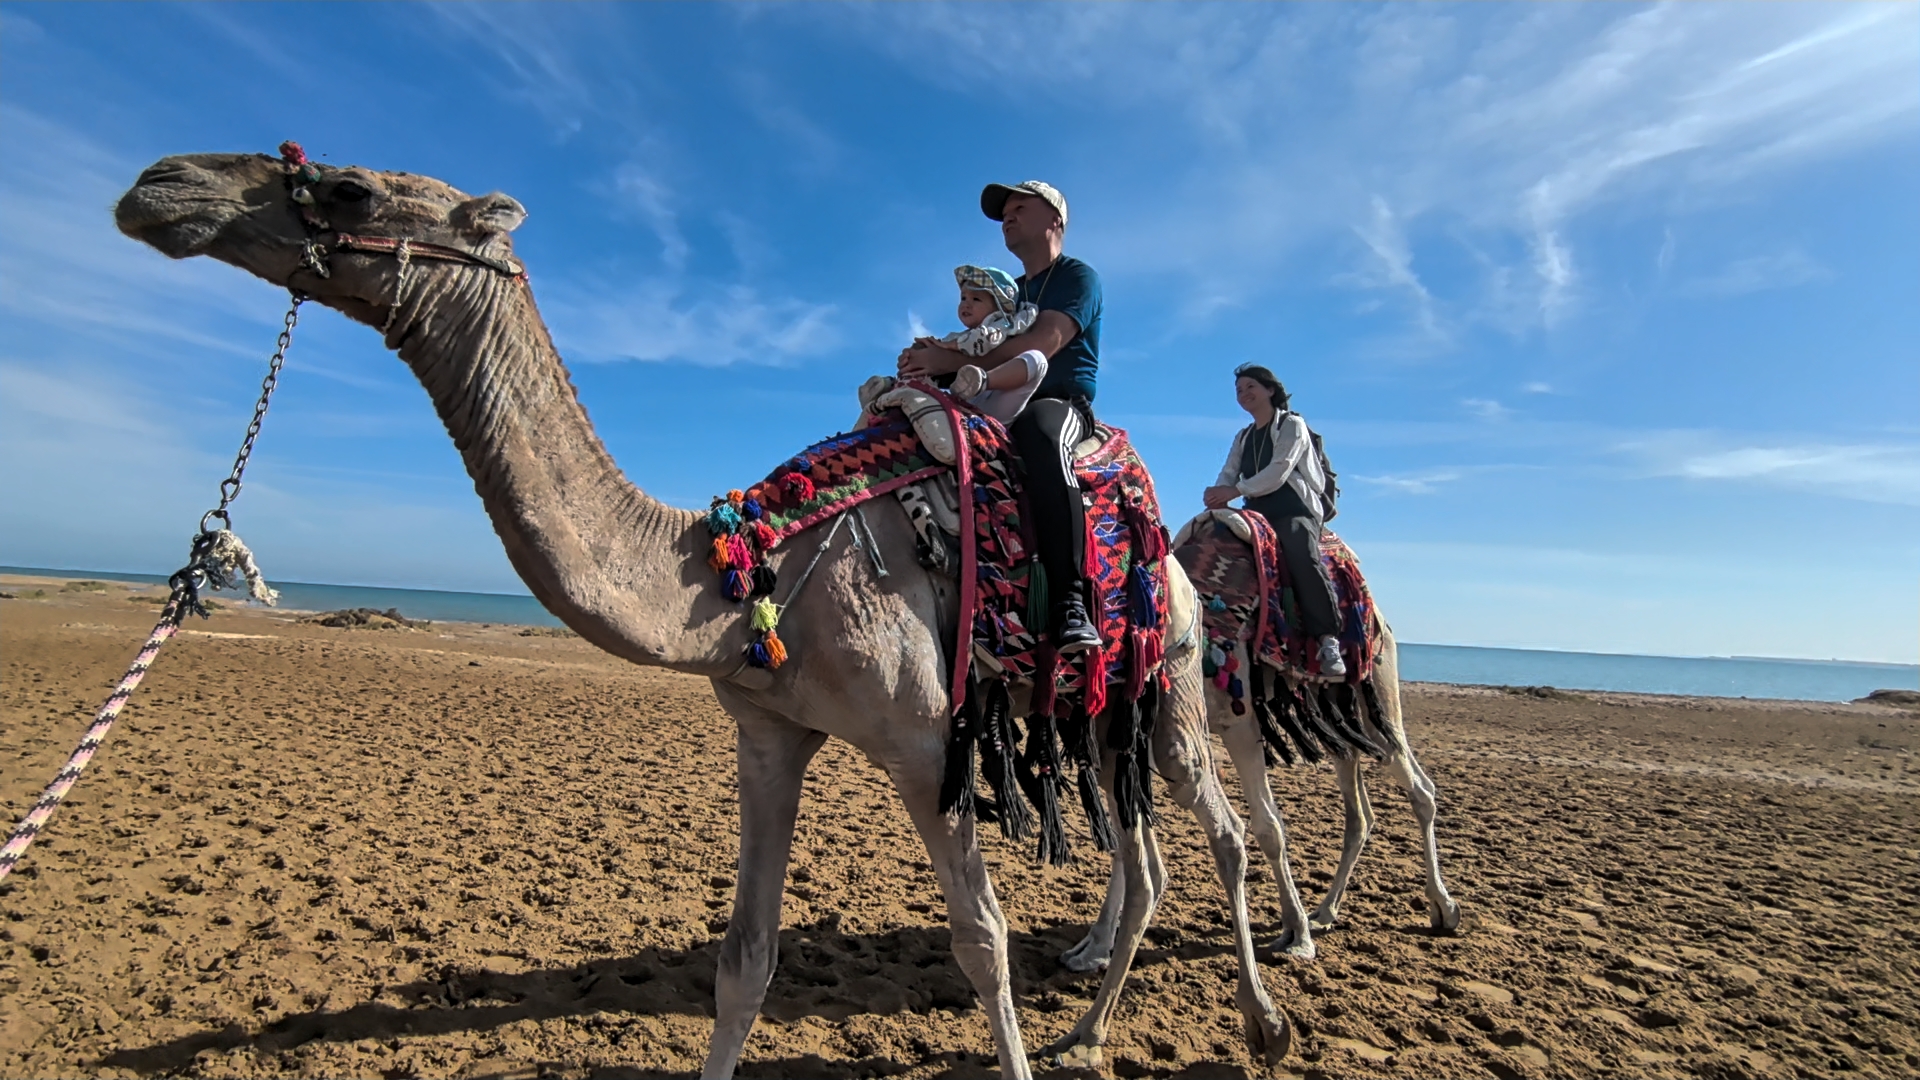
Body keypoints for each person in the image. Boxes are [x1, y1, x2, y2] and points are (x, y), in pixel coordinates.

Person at [900, 181, 1103, 653]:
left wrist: (948, 361)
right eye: (1005, 211)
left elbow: (1042, 344)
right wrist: (927, 358)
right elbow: (975, 344)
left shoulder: (1077, 276)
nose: (1007, 217)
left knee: (1043, 436)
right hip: (989, 397)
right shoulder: (1006, 291)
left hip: (1056, 399)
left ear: (1055, 219)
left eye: (1020, 207)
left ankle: (1070, 602)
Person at [1204, 364, 1348, 677]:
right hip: (1257, 511)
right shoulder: (1243, 437)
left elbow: (1279, 470)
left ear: (1270, 390)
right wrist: (1216, 496)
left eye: (1250, 386)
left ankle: (1328, 639)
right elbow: (1229, 472)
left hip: (1294, 508)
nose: (1244, 393)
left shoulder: (1292, 425)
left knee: (1301, 553)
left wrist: (1234, 490)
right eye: (1239, 390)